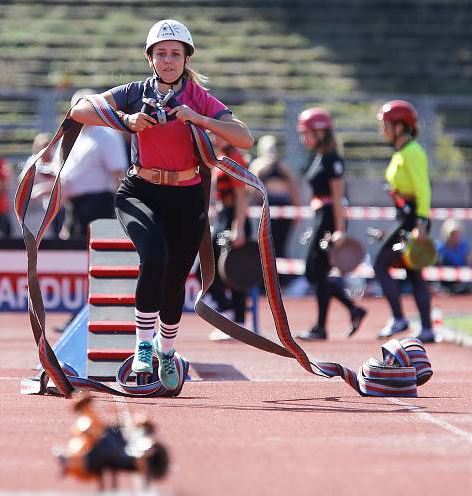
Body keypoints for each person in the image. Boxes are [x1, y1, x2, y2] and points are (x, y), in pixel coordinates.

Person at [68, 19, 253, 389]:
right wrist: (126, 121)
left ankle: (167, 352)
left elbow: (244, 138)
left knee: (175, 279)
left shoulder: (199, 97)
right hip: (139, 190)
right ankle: (144, 348)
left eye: (175, 54)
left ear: (186, 59)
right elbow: (79, 109)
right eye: (161, 54)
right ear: (150, 58)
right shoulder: (135, 91)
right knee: (154, 257)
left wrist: (198, 119)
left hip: (187, 197)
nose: (168, 60)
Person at [294, 108, 367, 340]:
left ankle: (322, 327)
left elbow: (336, 198)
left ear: (320, 132)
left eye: (306, 132)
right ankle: (351, 310)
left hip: (329, 218)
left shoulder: (333, 159)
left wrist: (339, 231)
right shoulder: (319, 156)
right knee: (316, 272)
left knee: (317, 271)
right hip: (320, 217)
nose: (303, 138)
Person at [374, 100, 434, 343]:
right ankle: (428, 328)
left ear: (400, 125)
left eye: (386, 125)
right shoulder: (400, 153)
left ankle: (399, 318)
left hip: (413, 221)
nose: (383, 130)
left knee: (380, 264)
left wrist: (421, 223)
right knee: (413, 273)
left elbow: (424, 190)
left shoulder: (413, 153)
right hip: (405, 219)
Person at [59, 89, 129, 239]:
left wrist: (119, 213)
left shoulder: (107, 136)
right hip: (74, 206)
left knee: (94, 253)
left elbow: (118, 175)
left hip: (98, 204)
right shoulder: (74, 136)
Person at [206, 133, 252, 341]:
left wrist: (238, 227)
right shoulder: (220, 157)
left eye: (217, 135)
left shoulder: (234, 158)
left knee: (235, 271)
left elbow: (242, 196)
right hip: (225, 215)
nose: (213, 138)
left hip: (235, 218)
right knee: (209, 269)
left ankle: (238, 320)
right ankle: (229, 312)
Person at [248, 134, 301, 285]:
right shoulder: (262, 166)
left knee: (276, 246)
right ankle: (269, 281)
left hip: (279, 208)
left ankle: (279, 281)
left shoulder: (273, 166)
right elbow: (253, 190)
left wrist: (296, 211)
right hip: (271, 208)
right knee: (270, 247)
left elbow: (292, 189)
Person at [436, 218, 472, 294]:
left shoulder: (464, 246)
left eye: (457, 233)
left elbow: (469, 263)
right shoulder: (439, 247)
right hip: (446, 279)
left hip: (461, 276)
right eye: (452, 234)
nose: (455, 236)